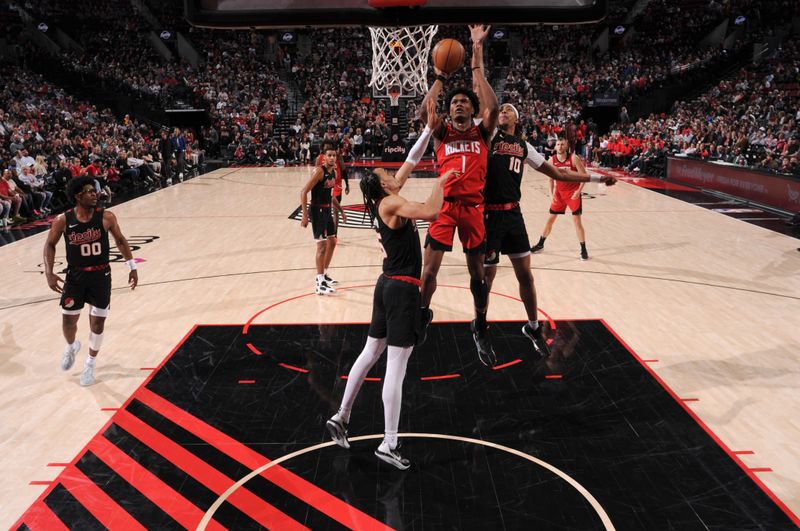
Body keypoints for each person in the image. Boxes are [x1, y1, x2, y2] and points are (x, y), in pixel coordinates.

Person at [326, 100, 455, 469]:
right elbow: (431, 211)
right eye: (388, 172)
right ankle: (389, 443)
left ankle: (342, 416)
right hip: (400, 290)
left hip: (386, 285)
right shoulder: (391, 205)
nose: (394, 173)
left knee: (370, 354)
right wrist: (442, 180)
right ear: (384, 184)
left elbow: (412, 159)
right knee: (396, 367)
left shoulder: (385, 198)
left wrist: (430, 130)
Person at [484, 104, 616, 358]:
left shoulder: (524, 147)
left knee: (526, 276)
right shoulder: (489, 136)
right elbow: (486, 103)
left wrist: (597, 179)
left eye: (508, 110)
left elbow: (558, 173)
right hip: (489, 215)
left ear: (517, 119)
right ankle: (481, 326)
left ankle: (533, 327)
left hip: (513, 214)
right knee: (487, 279)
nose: (503, 111)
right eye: (500, 109)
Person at [417, 24, 499, 366]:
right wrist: (439, 77)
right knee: (428, 273)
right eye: (455, 103)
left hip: (473, 210)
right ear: (449, 111)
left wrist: (476, 56)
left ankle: (480, 323)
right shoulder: (441, 132)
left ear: (471, 109)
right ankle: (422, 315)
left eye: (465, 102)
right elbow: (425, 112)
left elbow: (492, 107)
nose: (459, 105)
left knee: (477, 275)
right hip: (444, 209)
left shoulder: (482, 132)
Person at [43, 176, 138, 386]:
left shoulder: (107, 217)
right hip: (75, 276)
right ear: (78, 196)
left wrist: (132, 266)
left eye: (94, 190)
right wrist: (49, 273)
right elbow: (49, 245)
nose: (95, 194)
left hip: (101, 275)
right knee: (68, 321)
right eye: (89, 191)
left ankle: (90, 364)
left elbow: (120, 241)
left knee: (97, 322)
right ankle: (71, 346)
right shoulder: (63, 220)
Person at [531, 137, 593, 260]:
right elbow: (550, 178)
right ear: (555, 147)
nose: (559, 146)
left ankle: (583, 249)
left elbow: (584, 176)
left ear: (566, 146)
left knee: (577, 222)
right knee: (550, 220)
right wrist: (551, 193)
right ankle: (540, 244)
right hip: (559, 193)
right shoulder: (551, 160)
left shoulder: (574, 158)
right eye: (558, 144)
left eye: (562, 144)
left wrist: (578, 192)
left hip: (572, 193)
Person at [300, 146, 346, 295]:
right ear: (324, 157)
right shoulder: (320, 171)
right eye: (329, 155)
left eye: (334, 155)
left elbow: (331, 196)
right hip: (317, 210)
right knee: (322, 246)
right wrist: (305, 215)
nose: (332, 158)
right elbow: (303, 192)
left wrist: (341, 211)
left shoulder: (335, 172)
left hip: (327, 209)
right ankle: (319, 283)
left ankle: (324, 275)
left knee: (332, 242)